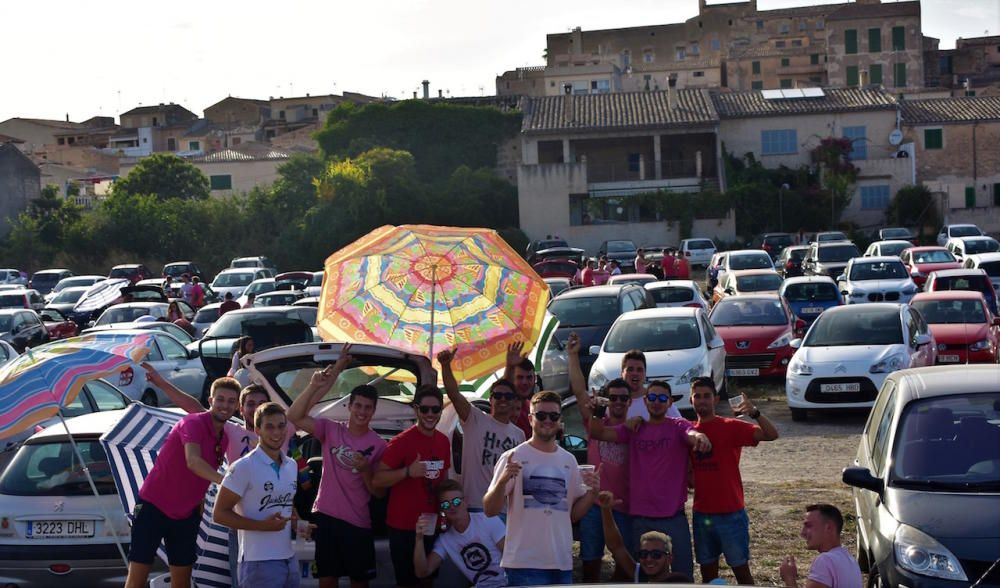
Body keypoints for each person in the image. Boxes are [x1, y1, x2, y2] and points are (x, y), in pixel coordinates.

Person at [589, 381, 712, 580]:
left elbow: (691, 433)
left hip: (673, 517)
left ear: (670, 402)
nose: (657, 402)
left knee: (682, 577)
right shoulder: (635, 428)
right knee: (643, 577)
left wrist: (699, 437)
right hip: (640, 519)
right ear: (645, 401)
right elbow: (598, 432)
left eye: (662, 398)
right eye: (652, 397)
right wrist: (597, 411)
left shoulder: (677, 426)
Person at [124, 377, 240, 588]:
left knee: (182, 581)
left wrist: (201, 499)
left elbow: (203, 476)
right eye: (220, 399)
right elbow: (193, 462)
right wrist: (228, 482)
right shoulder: (192, 422)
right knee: (136, 580)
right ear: (211, 399)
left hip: (186, 514)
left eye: (231, 401)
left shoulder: (224, 438)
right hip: (153, 507)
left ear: (237, 405)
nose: (225, 405)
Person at [287, 347, 387, 588]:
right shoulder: (331, 429)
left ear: (374, 410)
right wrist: (313, 385)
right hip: (326, 517)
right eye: (358, 406)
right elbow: (293, 415)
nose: (362, 412)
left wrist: (364, 470)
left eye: (367, 407)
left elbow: (379, 493)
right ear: (349, 406)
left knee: (359, 582)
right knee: (327, 580)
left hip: (358, 523)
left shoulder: (379, 445)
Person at [484, 391, 601, 586]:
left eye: (553, 416)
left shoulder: (569, 460)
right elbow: (489, 509)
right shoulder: (513, 456)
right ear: (530, 419)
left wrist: (592, 494)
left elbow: (571, 515)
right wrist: (503, 481)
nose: (547, 420)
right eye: (541, 415)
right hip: (524, 563)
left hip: (561, 562)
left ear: (559, 420)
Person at [689, 378, 779, 585]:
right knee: (708, 574)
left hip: (731, 514)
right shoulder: (689, 433)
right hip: (702, 514)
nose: (702, 401)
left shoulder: (730, 426)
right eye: (697, 396)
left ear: (716, 399)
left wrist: (754, 412)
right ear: (691, 400)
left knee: (741, 572)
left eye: (706, 396)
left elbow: (771, 435)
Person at [566, 333, 631, 583]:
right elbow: (580, 391)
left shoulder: (635, 428)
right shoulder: (595, 422)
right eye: (612, 397)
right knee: (591, 561)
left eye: (623, 398)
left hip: (624, 505)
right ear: (606, 399)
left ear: (629, 402)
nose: (618, 402)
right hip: (593, 504)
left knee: (624, 563)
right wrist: (573, 356)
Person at [214, 402, 299, 588]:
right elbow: (219, 513)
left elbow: (284, 503)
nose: (277, 432)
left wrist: (297, 524)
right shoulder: (243, 466)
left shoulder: (291, 465)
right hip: (257, 562)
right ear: (258, 430)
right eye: (269, 426)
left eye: (281, 426)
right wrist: (261, 526)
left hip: (289, 559)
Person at [373, 385, 451, 587]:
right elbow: (377, 479)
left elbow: (443, 482)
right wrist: (407, 472)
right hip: (403, 527)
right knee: (407, 582)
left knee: (427, 579)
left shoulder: (443, 441)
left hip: (432, 525)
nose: (430, 414)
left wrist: (446, 515)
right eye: (425, 409)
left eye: (436, 409)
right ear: (416, 409)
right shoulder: (401, 442)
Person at [438, 348, 524, 512]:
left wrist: (511, 367)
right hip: (473, 507)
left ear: (515, 402)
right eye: (497, 396)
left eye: (508, 397)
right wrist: (446, 366)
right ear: (490, 399)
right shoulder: (475, 419)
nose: (502, 400)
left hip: (504, 510)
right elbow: (454, 394)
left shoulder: (519, 434)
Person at [413, 480, 506, 587]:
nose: (452, 507)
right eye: (446, 504)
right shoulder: (445, 540)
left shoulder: (487, 520)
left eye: (456, 501)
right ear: (442, 509)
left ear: (465, 502)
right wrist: (419, 538)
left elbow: (510, 556)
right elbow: (422, 572)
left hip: (508, 583)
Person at [597, 491, 693, 583]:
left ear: (669, 558)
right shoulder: (640, 576)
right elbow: (616, 547)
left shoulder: (679, 582)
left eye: (656, 555)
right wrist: (605, 510)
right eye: (643, 554)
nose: (649, 559)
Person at [779, 504, 862, 588]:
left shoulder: (825, 561)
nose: (802, 533)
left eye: (808, 526)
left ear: (829, 528)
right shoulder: (851, 561)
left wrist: (789, 578)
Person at [620, 350, 682, 420]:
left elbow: (682, 426)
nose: (635, 373)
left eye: (639, 370)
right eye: (630, 369)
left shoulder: (658, 399)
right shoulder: (615, 401)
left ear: (645, 374)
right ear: (622, 373)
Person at [502, 342, 537, 440]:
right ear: (513, 379)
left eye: (529, 377)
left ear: (535, 378)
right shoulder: (505, 405)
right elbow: (504, 391)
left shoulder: (533, 408)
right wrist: (509, 366)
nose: (525, 382)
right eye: (520, 377)